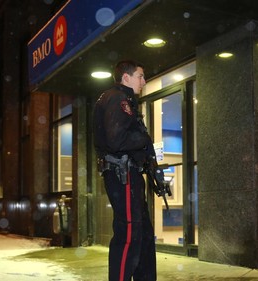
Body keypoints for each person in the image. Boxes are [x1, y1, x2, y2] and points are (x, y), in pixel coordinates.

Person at [93, 60, 160, 281]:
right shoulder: (118, 98)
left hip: (128, 174)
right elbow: (117, 139)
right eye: (140, 76)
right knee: (129, 234)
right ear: (126, 77)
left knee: (143, 235)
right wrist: (144, 138)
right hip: (123, 175)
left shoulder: (121, 98)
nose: (144, 81)